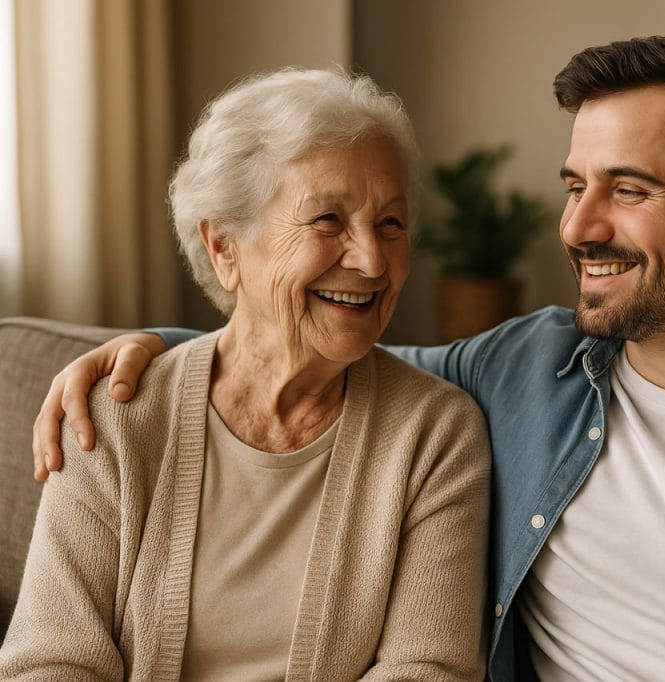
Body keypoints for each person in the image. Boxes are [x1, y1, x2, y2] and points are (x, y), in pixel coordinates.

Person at [30, 36, 665, 680]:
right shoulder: (519, 371)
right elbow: (308, 350)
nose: (577, 227)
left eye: (627, 189)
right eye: (575, 185)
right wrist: (150, 358)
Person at [4, 67, 491, 679]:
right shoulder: (114, 416)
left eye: (390, 223)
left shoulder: (435, 434)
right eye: (327, 219)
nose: (372, 261)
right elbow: (50, 661)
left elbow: (427, 669)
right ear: (224, 248)